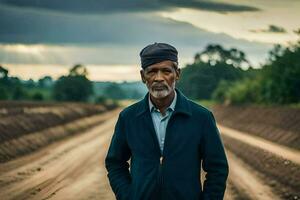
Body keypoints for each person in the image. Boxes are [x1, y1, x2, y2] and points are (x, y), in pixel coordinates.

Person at [105, 42, 229, 200]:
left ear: (177, 74)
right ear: (143, 76)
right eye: (152, 72)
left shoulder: (201, 117)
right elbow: (115, 163)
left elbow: (217, 169)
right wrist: (128, 196)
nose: (159, 78)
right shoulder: (128, 117)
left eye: (166, 71)